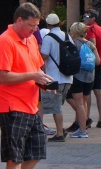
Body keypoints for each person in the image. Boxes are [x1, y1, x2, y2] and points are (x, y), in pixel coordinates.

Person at [0, 2, 54, 169]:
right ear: (19, 20)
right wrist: (33, 75)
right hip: (12, 107)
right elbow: (2, 77)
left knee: (37, 151)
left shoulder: (31, 40)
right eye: (31, 25)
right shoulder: (5, 41)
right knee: (15, 157)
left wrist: (45, 83)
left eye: (36, 25)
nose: (34, 29)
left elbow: (36, 69)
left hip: (31, 106)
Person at [39, 13, 73, 142]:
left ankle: (59, 133)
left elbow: (44, 57)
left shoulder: (48, 37)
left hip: (52, 77)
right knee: (58, 104)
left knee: (56, 107)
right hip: (68, 77)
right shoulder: (66, 35)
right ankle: (60, 130)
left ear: (48, 24)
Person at [65, 22, 96, 138]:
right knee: (84, 103)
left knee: (79, 104)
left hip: (78, 77)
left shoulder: (73, 44)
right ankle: (83, 127)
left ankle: (83, 130)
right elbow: (97, 61)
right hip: (90, 77)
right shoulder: (90, 44)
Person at [83, 11, 101, 128]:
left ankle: (86, 117)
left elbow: (92, 44)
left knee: (87, 91)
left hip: (92, 63)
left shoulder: (90, 29)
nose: (84, 18)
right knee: (98, 90)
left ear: (93, 18)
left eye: (86, 16)